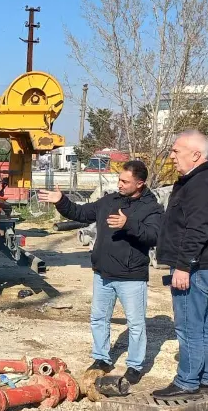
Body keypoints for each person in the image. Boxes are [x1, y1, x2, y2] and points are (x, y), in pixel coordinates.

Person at [38, 160, 163, 384]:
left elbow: (153, 236)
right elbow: (82, 213)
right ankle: (101, 359)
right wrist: (61, 202)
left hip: (131, 277)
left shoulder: (151, 207)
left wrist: (128, 224)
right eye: (119, 179)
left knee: (135, 324)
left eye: (125, 181)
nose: (120, 184)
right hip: (103, 274)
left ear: (140, 183)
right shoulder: (110, 200)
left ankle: (134, 366)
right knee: (99, 319)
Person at [152, 130, 208, 399]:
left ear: (196, 155)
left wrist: (184, 266)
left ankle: (187, 382)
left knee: (188, 327)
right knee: (201, 325)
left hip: (197, 268)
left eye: (177, 151)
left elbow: (197, 229)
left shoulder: (201, 184)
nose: (172, 156)